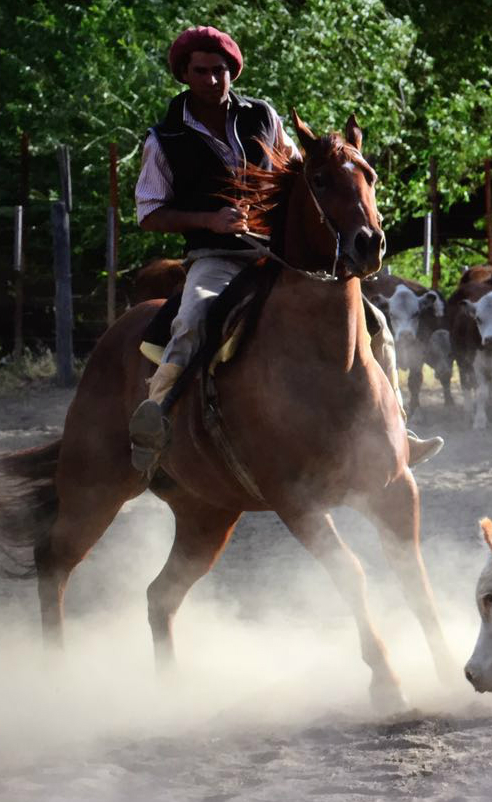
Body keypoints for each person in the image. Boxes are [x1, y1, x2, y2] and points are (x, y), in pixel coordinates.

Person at [128, 26, 443, 474]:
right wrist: (209, 221)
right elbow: (149, 213)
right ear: (184, 74)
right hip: (216, 258)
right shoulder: (164, 139)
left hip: (279, 257)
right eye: (201, 71)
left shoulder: (263, 116)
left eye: (220, 70)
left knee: (376, 325)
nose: (213, 79)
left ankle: (397, 431)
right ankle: (156, 416)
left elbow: (300, 174)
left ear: (232, 71)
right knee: (193, 318)